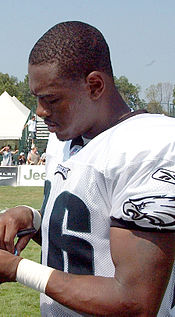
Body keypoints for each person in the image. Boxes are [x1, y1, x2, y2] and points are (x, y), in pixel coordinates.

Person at [0, 21, 175, 317]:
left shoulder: (153, 146)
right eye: (36, 98)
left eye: (51, 98)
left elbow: (135, 301)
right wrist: (32, 217)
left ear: (94, 85)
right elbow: (86, 239)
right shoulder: (65, 139)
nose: (40, 111)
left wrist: (19, 269)